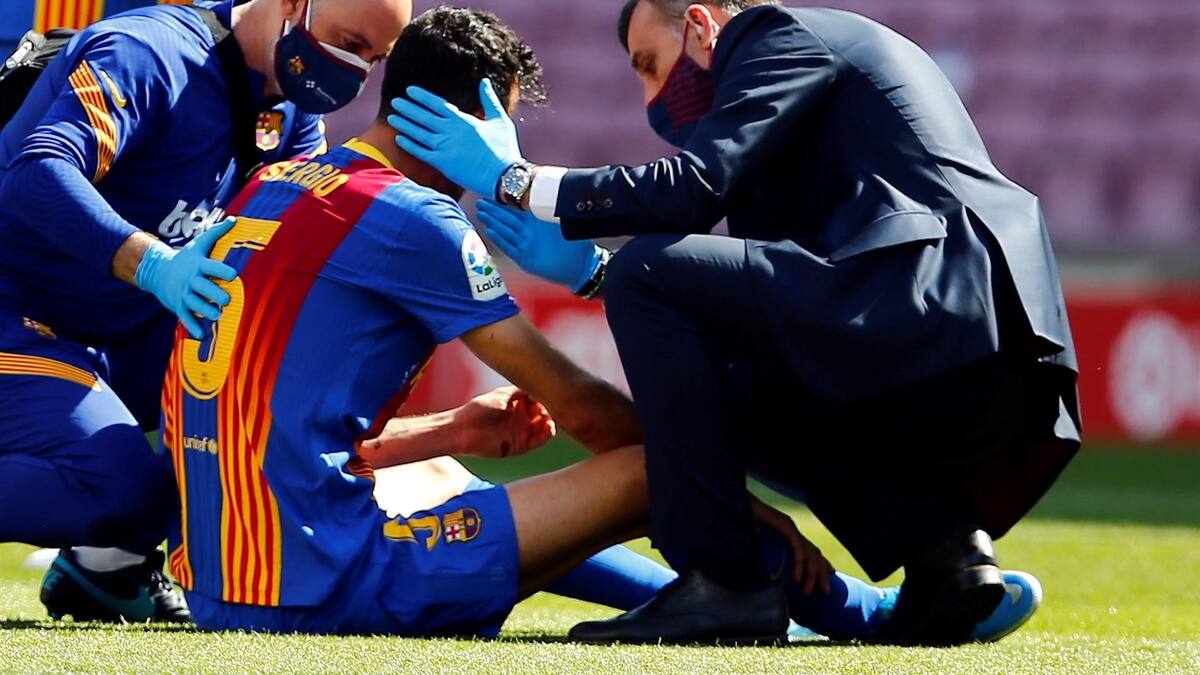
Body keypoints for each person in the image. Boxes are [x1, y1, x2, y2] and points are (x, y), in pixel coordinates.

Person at [161, 7, 951, 640]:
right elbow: (581, 410)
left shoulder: (276, 182)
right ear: (471, 117)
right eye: (502, 124)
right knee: (652, 469)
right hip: (324, 587)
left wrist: (453, 429)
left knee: (443, 474)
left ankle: (724, 591)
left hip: (221, 579)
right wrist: (751, 509)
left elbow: (276, 418)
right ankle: (852, 610)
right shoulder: (413, 217)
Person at [387, 0, 1081, 646]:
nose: (651, 99)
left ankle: (725, 580)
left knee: (650, 270)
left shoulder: (773, 34)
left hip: (935, 302)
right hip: (977, 336)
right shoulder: (803, 83)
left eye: (649, 66)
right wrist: (593, 273)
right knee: (725, 370)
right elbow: (726, 308)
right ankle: (945, 556)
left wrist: (517, 180)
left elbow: (691, 192)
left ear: (699, 25)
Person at [0, 0, 410, 622]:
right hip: (19, 310)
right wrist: (153, 265)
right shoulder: (150, 52)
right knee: (118, 487)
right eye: (349, 43)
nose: (354, 71)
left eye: (373, 59)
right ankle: (114, 550)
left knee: (264, 422)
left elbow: (297, 247)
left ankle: (106, 568)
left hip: (110, 330)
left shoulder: (291, 112)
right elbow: (36, 172)